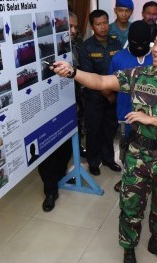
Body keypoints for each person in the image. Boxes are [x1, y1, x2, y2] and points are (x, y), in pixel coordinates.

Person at [52, 24, 157, 263]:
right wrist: (73, 73)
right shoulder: (138, 74)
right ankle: (129, 252)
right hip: (138, 156)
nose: (155, 48)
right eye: (155, 43)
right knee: (131, 207)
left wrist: (149, 118)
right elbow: (101, 81)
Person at [108, 20, 153, 193]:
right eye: (135, 44)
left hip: (153, 115)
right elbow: (109, 81)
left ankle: (149, 180)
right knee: (127, 149)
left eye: (143, 44)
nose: (139, 47)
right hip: (126, 114)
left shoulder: (156, 56)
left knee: (150, 149)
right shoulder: (119, 57)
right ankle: (127, 178)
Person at [78, 9, 122, 176]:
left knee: (110, 129)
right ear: (92, 26)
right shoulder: (86, 47)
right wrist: (108, 93)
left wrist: (113, 94)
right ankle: (94, 161)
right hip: (94, 97)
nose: (103, 27)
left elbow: (119, 70)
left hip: (113, 96)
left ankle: (109, 159)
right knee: (94, 130)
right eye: (98, 24)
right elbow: (89, 75)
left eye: (105, 23)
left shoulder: (115, 44)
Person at [69, 11, 87, 157]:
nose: (73, 31)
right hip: (62, 95)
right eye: (69, 27)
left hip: (78, 91)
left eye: (75, 27)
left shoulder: (80, 43)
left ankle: (78, 147)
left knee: (78, 121)